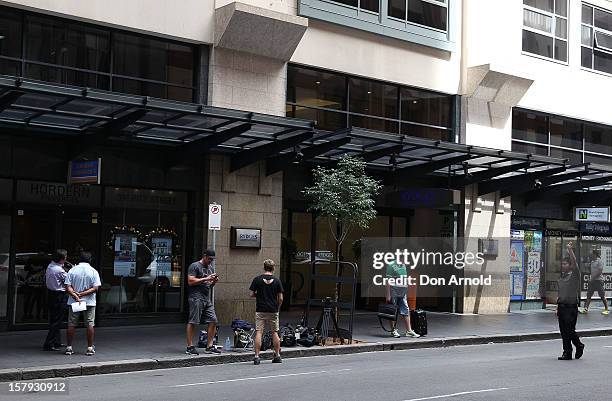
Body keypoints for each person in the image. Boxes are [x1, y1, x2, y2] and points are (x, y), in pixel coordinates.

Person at [64, 251, 101, 356]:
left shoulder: (72, 270)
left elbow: (68, 286)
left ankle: (69, 347)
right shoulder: (94, 271)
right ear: (90, 260)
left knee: (71, 324)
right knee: (89, 324)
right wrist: (83, 294)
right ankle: (89, 348)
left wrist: (75, 294)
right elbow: (95, 288)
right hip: (89, 302)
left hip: (75, 301)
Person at [249, 259, 284, 365]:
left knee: (259, 331)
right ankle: (277, 355)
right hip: (273, 309)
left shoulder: (257, 279)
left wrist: (259, 295)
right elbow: (281, 298)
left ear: (264, 267)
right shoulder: (277, 281)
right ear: (273, 268)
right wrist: (277, 306)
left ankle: (257, 357)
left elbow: (251, 294)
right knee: (274, 332)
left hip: (261, 309)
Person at [185, 249, 219, 355]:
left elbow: (209, 285)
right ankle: (189, 347)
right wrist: (205, 279)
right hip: (196, 297)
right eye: (209, 259)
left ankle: (209, 346)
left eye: (212, 259)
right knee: (193, 321)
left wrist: (213, 282)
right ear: (204, 256)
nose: (210, 261)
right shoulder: (194, 266)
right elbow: (190, 281)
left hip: (206, 298)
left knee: (213, 320)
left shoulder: (210, 268)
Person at [556, 242, 585, 361]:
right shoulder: (562, 277)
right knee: (563, 331)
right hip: (562, 307)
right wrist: (557, 307)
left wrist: (570, 250)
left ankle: (578, 345)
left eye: (565, 263)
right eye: (562, 263)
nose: (563, 265)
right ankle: (567, 352)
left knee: (569, 330)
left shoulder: (574, 275)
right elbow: (561, 293)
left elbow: (576, 265)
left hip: (570, 308)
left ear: (570, 265)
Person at [386, 260, 419, 338]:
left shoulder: (403, 265)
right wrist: (388, 295)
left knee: (406, 309)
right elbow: (388, 280)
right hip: (394, 290)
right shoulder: (391, 265)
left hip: (402, 292)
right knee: (392, 310)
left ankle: (409, 331)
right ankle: (393, 330)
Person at [43, 249, 68, 351]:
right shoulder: (59, 270)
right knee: (57, 320)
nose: (66, 259)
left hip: (51, 294)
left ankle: (56, 341)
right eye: (65, 257)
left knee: (55, 319)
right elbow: (68, 280)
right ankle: (48, 343)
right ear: (61, 259)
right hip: (59, 295)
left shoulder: (50, 266)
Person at [580, 248, 609, 315]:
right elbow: (591, 271)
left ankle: (607, 309)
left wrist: (592, 278)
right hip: (592, 281)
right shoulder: (592, 262)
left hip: (599, 281)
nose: (590, 255)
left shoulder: (600, 261)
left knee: (602, 296)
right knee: (589, 295)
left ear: (595, 254)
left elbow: (599, 271)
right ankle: (585, 309)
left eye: (591, 254)